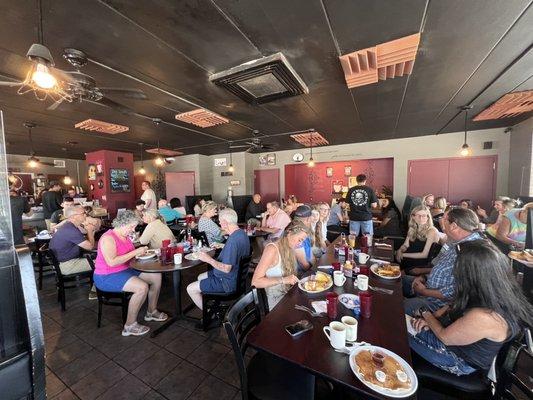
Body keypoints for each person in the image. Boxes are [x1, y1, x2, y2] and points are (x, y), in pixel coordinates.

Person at [409, 240, 531, 375]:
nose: (455, 272)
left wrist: (425, 313)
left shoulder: (487, 316)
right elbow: (450, 309)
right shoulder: (495, 293)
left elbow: (445, 337)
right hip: (455, 342)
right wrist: (430, 321)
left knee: (396, 324)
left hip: (458, 360)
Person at [94, 210, 167, 336]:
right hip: (107, 275)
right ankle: (129, 325)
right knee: (141, 287)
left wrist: (142, 254)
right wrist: (136, 252)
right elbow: (112, 262)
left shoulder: (125, 236)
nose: (133, 229)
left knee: (156, 276)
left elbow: (129, 256)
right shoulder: (108, 238)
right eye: (131, 226)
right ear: (122, 223)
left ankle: (151, 311)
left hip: (125, 270)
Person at [403, 208, 481, 314]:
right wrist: (424, 277)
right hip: (427, 286)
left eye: (445, 220)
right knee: (396, 280)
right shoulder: (458, 242)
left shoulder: (472, 251)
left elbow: (457, 290)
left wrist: (424, 291)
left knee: (399, 307)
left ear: (453, 226)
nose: (442, 224)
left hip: (438, 305)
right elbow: (443, 269)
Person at [187, 208, 250, 310]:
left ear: (225, 223)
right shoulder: (242, 234)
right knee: (200, 277)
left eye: (220, 222)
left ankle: (211, 313)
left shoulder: (233, 241)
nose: (220, 224)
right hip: (236, 278)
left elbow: (226, 268)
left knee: (190, 288)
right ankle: (211, 302)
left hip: (227, 282)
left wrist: (208, 259)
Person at [252, 222, 307, 310]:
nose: (300, 244)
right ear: (289, 233)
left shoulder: (290, 248)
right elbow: (255, 282)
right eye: (299, 240)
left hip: (289, 296)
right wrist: (283, 280)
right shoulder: (272, 249)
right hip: (277, 304)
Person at [49, 206, 97, 299]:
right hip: (67, 265)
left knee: (96, 257)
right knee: (102, 262)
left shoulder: (68, 226)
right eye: (83, 213)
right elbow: (90, 246)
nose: (85, 215)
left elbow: (84, 242)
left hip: (62, 262)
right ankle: (95, 292)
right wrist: (90, 231)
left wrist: (90, 231)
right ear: (74, 216)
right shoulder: (70, 230)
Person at [396, 206, 441, 276]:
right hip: (407, 258)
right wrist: (399, 250)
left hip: (418, 264)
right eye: (418, 215)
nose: (421, 218)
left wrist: (402, 254)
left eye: (424, 216)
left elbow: (424, 255)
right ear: (413, 217)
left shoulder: (432, 231)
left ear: (428, 217)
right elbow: (405, 245)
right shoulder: (413, 227)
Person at [293, 205, 315, 272]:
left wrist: (316, 264)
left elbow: (311, 255)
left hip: (308, 266)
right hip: (298, 274)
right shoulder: (297, 233)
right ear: (308, 219)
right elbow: (304, 264)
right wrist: (315, 272)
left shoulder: (304, 229)